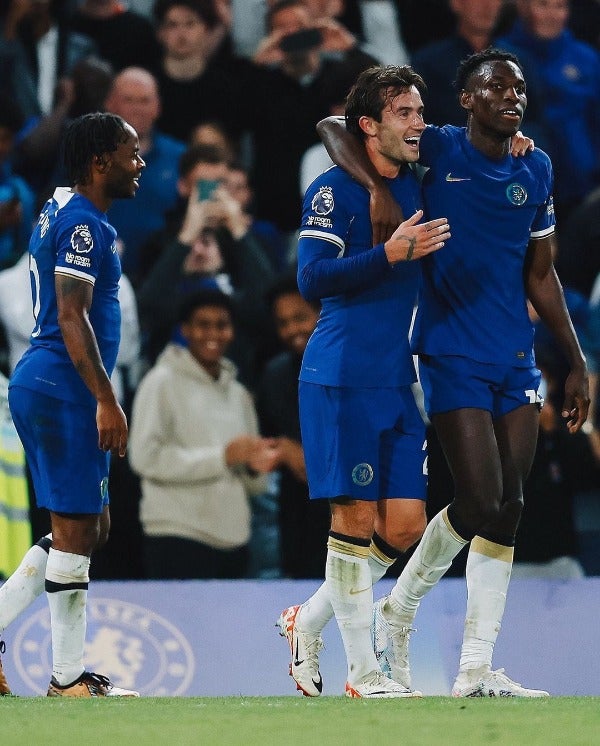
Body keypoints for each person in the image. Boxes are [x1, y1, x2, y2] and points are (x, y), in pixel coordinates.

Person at [317, 50, 589, 697]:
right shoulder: (436, 148)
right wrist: (380, 187)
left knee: (509, 507)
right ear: (465, 100)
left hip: (515, 356)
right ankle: (401, 610)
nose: (510, 95)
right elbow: (334, 126)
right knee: (480, 499)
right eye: (495, 85)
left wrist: (575, 360)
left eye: (518, 86)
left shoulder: (536, 165)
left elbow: (540, 271)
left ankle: (473, 667)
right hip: (447, 351)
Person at [277, 65, 452, 699]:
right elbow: (312, 279)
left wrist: (517, 144)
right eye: (403, 112)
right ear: (370, 127)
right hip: (342, 373)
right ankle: (364, 675)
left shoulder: (418, 182)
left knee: (404, 526)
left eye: (419, 110)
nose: (418, 122)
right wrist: (389, 254)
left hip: (395, 380)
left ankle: (307, 619)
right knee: (351, 520)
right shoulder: (331, 191)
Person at [1, 111, 145, 697]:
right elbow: (70, 314)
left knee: (88, 528)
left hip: (54, 384)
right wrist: (105, 400)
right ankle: (67, 678)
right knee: (77, 531)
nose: (140, 164)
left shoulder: (64, 208)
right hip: (65, 387)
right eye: (130, 153)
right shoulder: (85, 224)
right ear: (98, 162)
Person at [128, 288, 279, 579]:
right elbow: (144, 458)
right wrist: (222, 457)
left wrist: (253, 467)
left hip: (234, 540)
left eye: (221, 325)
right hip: (175, 537)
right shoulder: (159, 382)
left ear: (232, 332)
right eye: (202, 324)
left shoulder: (239, 394)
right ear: (185, 330)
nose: (213, 333)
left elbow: (254, 485)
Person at [256, 271, 330, 578]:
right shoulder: (274, 375)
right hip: (297, 515)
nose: (292, 330)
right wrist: (284, 450)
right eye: (283, 323)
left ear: (321, 313)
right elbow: (268, 441)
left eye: (300, 318)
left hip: (351, 507)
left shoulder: (353, 367)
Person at [103, 66, 186, 284]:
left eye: (144, 101)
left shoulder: (179, 157)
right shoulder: (85, 154)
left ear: (157, 107)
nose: (137, 109)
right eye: (129, 100)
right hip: (98, 276)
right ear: (110, 103)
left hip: (162, 279)